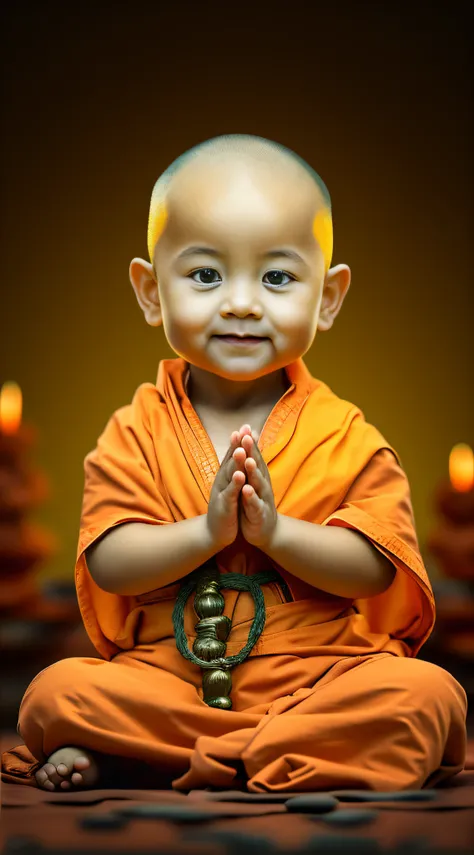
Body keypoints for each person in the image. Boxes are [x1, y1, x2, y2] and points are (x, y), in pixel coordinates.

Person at [2, 134, 467, 793]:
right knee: (53, 694)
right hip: (170, 677)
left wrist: (275, 534)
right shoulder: (134, 429)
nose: (242, 302)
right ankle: (278, 758)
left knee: (425, 696)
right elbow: (109, 559)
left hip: (319, 675)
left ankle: (159, 758)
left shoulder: (348, 434)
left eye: (277, 276)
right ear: (150, 290)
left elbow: (372, 568)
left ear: (328, 297)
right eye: (205, 274)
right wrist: (207, 534)